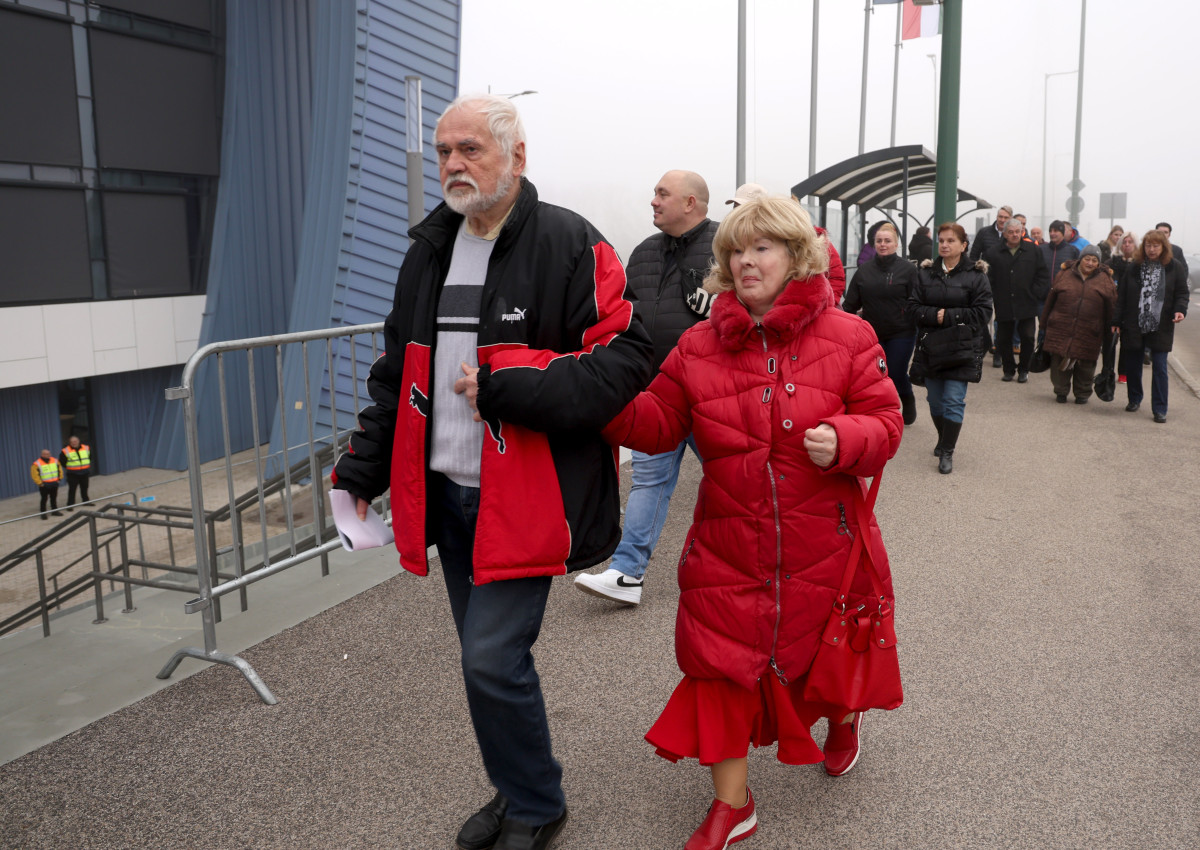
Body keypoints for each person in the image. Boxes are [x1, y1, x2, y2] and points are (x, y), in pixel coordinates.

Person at [330, 94, 653, 850]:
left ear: (516, 156)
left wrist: (510, 384)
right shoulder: (428, 250)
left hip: (525, 496)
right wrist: (360, 471)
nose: (452, 164)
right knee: (487, 666)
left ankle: (536, 804)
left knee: (489, 660)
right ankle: (518, 792)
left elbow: (627, 358)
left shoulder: (570, 242)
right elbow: (397, 377)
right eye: (445, 150)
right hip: (447, 495)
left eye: (470, 149)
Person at [601, 196, 902, 850]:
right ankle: (731, 806)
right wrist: (597, 399)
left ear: (796, 256)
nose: (745, 261)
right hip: (727, 545)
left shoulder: (850, 336)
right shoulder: (696, 346)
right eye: (735, 250)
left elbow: (887, 423)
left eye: (761, 247)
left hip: (827, 544)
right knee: (718, 666)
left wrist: (847, 438)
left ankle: (843, 721)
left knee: (825, 658)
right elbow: (657, 422)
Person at [574, 170, 716, 606]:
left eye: (662, 194)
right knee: (648, 482)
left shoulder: (728, 248)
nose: (653, 200)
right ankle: (626, 574)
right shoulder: (644, 252)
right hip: (657, 392)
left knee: (736, 481)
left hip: (714, 394)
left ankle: (764, 567)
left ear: (690, 202)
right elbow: (625, 316)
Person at [908, 223, 994, 474]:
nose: (944, 245)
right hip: (932, 347)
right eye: (941, 241)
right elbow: (912, 307)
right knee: (935, 401)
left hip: (962, 347)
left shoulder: (977, 275)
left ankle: (947, 451)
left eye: (950, 241)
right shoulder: (925, 273)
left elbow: (983, 313)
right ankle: (943, 436)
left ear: (963, 245)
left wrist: (949, 316)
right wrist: (934, 315)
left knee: (954, 400)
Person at [843, 222, 920, 424]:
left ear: (896, 244)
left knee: (895, 372)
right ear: (874, 244)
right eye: (879, 241)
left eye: (887, 241)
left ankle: (907, 397)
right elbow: (850, 304)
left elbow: (917, 301)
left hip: (902, 331)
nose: (883, 244)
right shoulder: (864, 270)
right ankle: (881, 412)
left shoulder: (908, 270)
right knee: (874, 375)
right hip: (872, 333)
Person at [1114, 230, 1189, 423]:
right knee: (1133, 365)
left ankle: (1160, 408)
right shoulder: (1135, 267)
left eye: (1156, 246)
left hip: (1161, 324)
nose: (1152, 249)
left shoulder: (1174, 267)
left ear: (1164, 247)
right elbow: (1122, 295)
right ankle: (1134, 399)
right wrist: (1116, 320)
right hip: (1134, 322)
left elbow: (1182, 293)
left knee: (1160, 367)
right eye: (1148, 245)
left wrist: (1180, 309)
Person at [1040, 246, 1118, 404]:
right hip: (1061, 325)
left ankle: (1082, 393)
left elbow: (1111, 307)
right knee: (1059, 359)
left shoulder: (1105, 280)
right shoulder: (1064, 274)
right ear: (1080, 259)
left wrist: (1109, 332)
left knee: (1085, 363)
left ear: (1098, 263)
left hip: (1090, 329)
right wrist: (1044, 323)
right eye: (1087, 259)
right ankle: (1061, 390)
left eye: (1094, 260)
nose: (1090, 263)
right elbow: (1050, 300)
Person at [985, 220, 1050, 382]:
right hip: (1004, 302)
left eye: (1017, 231)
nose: (1014, 235)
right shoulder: (993, 253)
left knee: (1027, 337)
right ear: (1005, 234)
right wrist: (995, 295)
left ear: (1022, 232)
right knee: (1003, 338)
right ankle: (1008, 369)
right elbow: (988, 278)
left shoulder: (1033, 250)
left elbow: (1043, 275)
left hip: (1027, 302)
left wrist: (1035, 293)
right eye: (1011, 232)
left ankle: (1024, 369)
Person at [59, 436, 93, 507]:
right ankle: (70, 504)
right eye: (72, 442)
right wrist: (71, 467)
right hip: (72, 474)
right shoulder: (65, 451)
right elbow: (62, 462)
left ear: (78, 441)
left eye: (75, 441)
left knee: (84, 488)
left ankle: (86, 501)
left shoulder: (86, 448)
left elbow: (90, 457)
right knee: (72, 489)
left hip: (84, 472)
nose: (74, 443)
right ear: (70, 443)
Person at [31, 450, 63, 517]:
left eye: (48, 454)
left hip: (54, 483)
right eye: (45, 454)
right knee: (44, 499)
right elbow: (34, 475)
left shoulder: (55, 460)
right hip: (44, 485)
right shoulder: (36, 464)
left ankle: (54, 511)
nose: (47, 455)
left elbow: (59, 470)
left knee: (53, 498)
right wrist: (40, 483)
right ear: (42, 455)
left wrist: (59, 479)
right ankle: (43, 514)